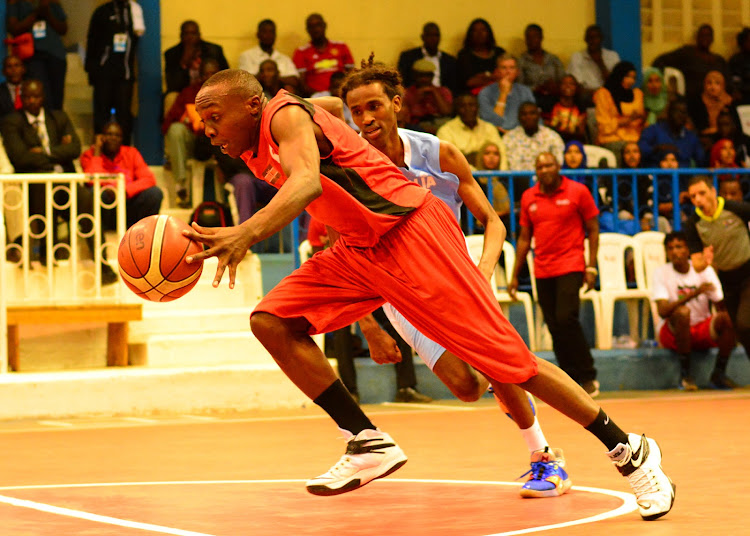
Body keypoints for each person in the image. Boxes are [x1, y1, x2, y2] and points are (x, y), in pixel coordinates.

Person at [184, 68, 676, 518]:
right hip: (359, 249)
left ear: (252, 106)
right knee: (270, 319)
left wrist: (245, 232)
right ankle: (365, 441)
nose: (207, 129)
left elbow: (308, 181)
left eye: (213, 116)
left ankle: (629, 451)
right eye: (202, 121)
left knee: (511, 366)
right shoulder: (267, 135)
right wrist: (329, 119)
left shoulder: (282, 115)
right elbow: (331, 108)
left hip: (410, 232)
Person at [337, 62, 571, 496]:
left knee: (498, 364)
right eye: (355, 111)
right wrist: (369, 324)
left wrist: (480, 273)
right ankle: (502, 385)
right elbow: (346, 250)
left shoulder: (438, 153)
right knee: (466, 387)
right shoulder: (350, 169)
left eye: (374, 106)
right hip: (399, 291)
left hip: (455, 274)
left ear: (396, 104)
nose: (365, 118)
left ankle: (545, 458)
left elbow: (492, 221)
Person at [1, 79, 117, 284]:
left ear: (43, 98)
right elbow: (19, 157)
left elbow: (73, 149)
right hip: (36, 185)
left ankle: (102, 264)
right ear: (21, 98)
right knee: (42, 192)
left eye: (35, 96)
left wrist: (43, 153)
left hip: (65, 182)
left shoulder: (58, 118)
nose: (31, 101)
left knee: (87, 203)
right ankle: (47, 256)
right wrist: (57, 153)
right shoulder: (12, 122)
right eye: (27, 97)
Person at [508, 152, 601, 397]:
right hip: (542, 268)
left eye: (549, 165)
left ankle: (588, 374)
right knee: (553, 324)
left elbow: (593, 229)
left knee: (566, 318)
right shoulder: (529, 197)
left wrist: (591, 266)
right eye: (540, 166)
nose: (545, 169)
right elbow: (525, 238)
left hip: (571, 265)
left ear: (558, 167)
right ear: (535, 171)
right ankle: (569, 378)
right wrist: (515, 275)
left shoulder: (578, 191)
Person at [685, 175, 750, 388]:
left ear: (713, 192)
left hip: (748, 272)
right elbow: (696, 265)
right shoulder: (693, 224)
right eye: (693, 196)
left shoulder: (736, 209)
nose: (698, 199)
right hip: (727, 279)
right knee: (741, 331)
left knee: (745, 322)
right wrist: (706, 260)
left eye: (702, 193)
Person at [652, 231, 738, 390]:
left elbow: (721, 305)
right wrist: (695, 293)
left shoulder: (704, 269)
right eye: (670, 248)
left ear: (688, 249)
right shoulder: (661, 272)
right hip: (673, 333)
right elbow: (663, 311)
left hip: (702, 330)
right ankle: (685, 375)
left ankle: (719, 373)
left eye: (679, 247)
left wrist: (721, 276)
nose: (675, 251)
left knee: (728, 318)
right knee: (683, 312)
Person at [162, 58, 222, 208]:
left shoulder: (228, 95)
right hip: (193, 141)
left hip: (218, 143)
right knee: (176, 129)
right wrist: (186, 122)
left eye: (214, 73)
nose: (210, 77)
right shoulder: (189, 93)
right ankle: (181, 185)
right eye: (206, 74)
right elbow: (167, 124)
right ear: (200, 76)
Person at [80, 121, 163, 228]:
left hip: (127, 203)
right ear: (101, 137)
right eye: (109, 134)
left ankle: (142, 230)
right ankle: (100, 232)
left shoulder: (131, 153)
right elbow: (91, 178)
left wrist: (124, 190)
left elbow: (148, 179)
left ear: (122, 139)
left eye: (117, 135)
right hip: (105, 207)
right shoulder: (89, 155)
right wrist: (97, 151)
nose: (113, 138)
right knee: (96, 193)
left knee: (154, 193)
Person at [85, 0, 139, 143]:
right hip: (104, 74)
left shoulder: (135, 11)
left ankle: (124, 152)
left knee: (124, 117)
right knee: (101, 115)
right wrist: (91, 71)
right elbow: (92, 41)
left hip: (125, 74)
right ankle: (99, 152)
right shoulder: (102, 12)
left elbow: (138, 35)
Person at [6, 0, 67, 111]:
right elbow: (13, 28)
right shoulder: (16, 2)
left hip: (56, 54)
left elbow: (63, 29)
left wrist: (47, 12)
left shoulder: (52, 2)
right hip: (32, 55)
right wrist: (36, 13)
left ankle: (56, 124)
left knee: (57, 97)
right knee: (40, 95)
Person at [653, 24, 729, 103]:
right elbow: (661, 60)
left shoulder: (719, 60)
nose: (705, 38)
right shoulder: (687, 53)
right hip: (694, 100)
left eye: (708, 35)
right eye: (702, 35)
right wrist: (658, 81)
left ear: (712, 39)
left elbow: (728, 80)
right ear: (697, 38)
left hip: (717, 101)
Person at [593, 61, 646, 164]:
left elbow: (639, 122)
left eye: (633, 78)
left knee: (645, 148)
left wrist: (641, 119)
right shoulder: (603, 94)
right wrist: (628, 120)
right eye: (627, 76)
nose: (630, 81)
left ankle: (643, 179)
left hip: (635, 138)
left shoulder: (638, 94)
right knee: (625, 149)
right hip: (612, 138)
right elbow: (604, 127)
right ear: (619, 75)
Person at [292, 13, 355, 96]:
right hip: (316, 97)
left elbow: (352, 75)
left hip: (342, 94)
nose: (315, 29)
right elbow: (302, 84)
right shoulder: (301, 52)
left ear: (324, 25)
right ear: (307, 30)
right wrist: (322, 96)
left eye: (318, 25)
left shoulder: (341, 46)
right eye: (311, 26)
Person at [436, 93, 506, 166]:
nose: (468, 109)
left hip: (489, 176)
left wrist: (502, 176)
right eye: (463, 106)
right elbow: (448, 160)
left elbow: (502, 154)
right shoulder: (445, 131)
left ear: (478, 108)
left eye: (471, 105)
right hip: (461, 175)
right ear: (457, 109)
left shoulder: (489, 128)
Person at [163, 20, 229, 96]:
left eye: (193, 33)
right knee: (171, 97)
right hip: (184, 92)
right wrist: (184, 61)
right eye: (186, 34)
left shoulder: (214, 50)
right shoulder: (171, 54)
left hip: (212, 90)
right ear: (181, 35)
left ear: (199, 35)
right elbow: (172, 86)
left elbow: (226, 77)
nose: (190, 37)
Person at [639, 97, 706, 168]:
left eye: (684, 112)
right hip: (655, 177)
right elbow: (640, 149)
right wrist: (656, 149)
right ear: (669, 112)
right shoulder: (653, 130)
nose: (680, 115)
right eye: (677, 111)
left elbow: (701, 161)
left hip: (682, 177)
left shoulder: (691, 138)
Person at [478, 55, 535, 134]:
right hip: (495, 134)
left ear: (517, 72)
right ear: (497, 72)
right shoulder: (485, 93)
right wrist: (503, 94)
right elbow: (492, 123)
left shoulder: (525, 91)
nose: (508, 72)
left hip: (521, 135)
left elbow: (534, 119)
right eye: (504, 68)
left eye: (512, 68)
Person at [238, 19, 299, 93]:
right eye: (264, 32)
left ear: (275, 35)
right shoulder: (247, 56)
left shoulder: (284, 58)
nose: (268, 35)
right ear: (258, 34)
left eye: (271, 32)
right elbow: (245, 82)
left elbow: (294, 80)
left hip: (281, 96)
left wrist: (274, 78)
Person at [503, 102, 565, 174]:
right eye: (524, 114)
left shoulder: (552, 137)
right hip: (517, 183)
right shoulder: (508, 138)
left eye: (532, 113)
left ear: (538, 116)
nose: (528, 117)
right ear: (519, 117)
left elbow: (559, 163)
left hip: (546, 182)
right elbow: (504, 167)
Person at [567, 25, 621, 106]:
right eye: (590, 38)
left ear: (601, 39)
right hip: (587, 94)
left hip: (607, 93)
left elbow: (615, 83)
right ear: (585, 39)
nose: (593, 41)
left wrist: (600, 63)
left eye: (596, 37)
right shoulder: (577, 56)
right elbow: (577, 84)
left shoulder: (612, 56)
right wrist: (595, 93)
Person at [397, 22, 457, 95]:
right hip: (415, 97)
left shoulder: (449, 60)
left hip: (441, 98)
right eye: (429, 35)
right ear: (422, 37)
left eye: (436, 35)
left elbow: (453, 86)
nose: (433, 38)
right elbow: (402, 82)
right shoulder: (408, 57)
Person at [517, 24, 565, 115]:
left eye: (534, 36)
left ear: (541, 38)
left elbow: (563, 79)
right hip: (533, 98)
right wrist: (537, 88)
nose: (531, 40)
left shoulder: (553, 59)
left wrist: (556, 87)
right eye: (528, 37)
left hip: (554, 96)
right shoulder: (522, 61)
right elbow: (520, 87)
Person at [688, 70, 738, 150]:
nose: (713, 87)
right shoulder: (696, 103)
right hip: (704, 141)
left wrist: (715, 130)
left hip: (728, 142)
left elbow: (735, 127)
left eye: (717, 83)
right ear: (704, 85)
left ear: (723, 86)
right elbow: (695, 128)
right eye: (709, 83)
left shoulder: (730, 103)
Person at [401, 59, 453, 134]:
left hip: (440, 123)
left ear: (432, 76)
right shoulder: (406, 93)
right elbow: (405, 116)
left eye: (428, 76)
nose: (424, 79)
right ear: (414, 76)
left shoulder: (443, 91)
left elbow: (447, 112)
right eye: (421, 76)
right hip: (417, 126)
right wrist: (416, 98)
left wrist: (435, 93)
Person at [455, 18, 505, 95]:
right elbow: (469, 82)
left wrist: (484, 76)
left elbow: (505, 76)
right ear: (470, 34)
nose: (479, 33)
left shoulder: (499, 52)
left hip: (499, 93)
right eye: (475, 31)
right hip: (473, 97)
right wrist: (493, 77)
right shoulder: (464, 55)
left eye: (483, 30)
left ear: (489, 33)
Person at [546, 74, 587, 143]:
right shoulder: (550, 104)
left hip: (574, 141)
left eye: (571, 84)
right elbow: (546, 128)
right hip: (553, 140)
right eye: (564, 83)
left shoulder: (580, 106)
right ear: (559, 86)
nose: (568, 86)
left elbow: (580, 133)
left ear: (576, 87)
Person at [729, 27, 750, 104]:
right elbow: (735, 78)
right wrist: (736, 90)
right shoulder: (736, 60)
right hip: (744, 94)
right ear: (742, 42)